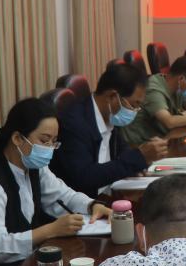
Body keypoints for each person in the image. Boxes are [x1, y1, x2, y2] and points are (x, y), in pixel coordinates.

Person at [0, 98, 112, 266]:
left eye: (54, 142)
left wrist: (92, 206)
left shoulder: (33, 167)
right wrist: (50, 230)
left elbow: (64, 196)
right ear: (17, 138)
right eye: (44, 141)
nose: (50, 148)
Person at [54, 62, 167, 197]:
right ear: (112, 96)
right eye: (134, 104)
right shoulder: (75, 124)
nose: (135, 111)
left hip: (109, 194)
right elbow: (85, 177)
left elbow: (122, 151)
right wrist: (139, 157)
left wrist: (138, 163)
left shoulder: (110, 116)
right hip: (84, 203)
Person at [120, 56, 186, 145]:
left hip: (162, 138)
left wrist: (181, 117)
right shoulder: (154, 90)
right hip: (140, 144)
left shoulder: (177, 87)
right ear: (181, 79)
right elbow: (169, 122)